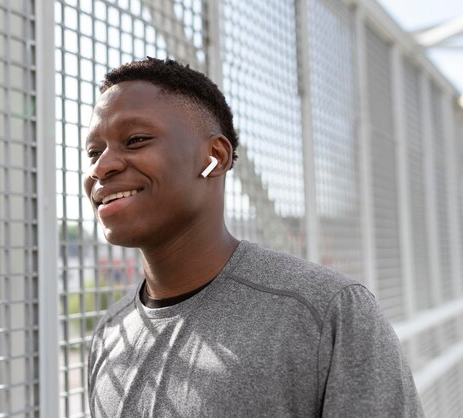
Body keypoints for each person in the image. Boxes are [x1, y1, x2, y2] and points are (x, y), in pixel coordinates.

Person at [83, 57, 423, 417]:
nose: (101, 167)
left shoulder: (326, 313)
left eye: (135, 140)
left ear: (214, 157)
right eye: (93, 152)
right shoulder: (110, 333)